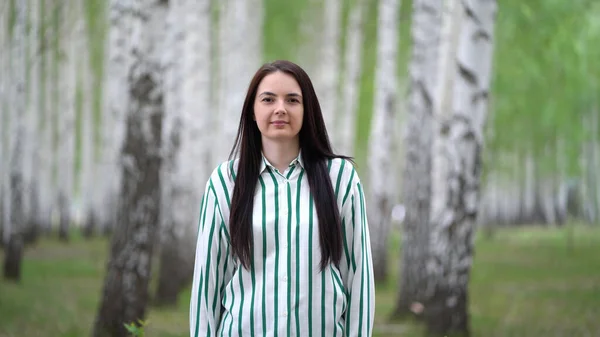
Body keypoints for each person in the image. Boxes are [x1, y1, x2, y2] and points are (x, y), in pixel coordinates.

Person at [189, 60, 374, 337]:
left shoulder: (341, 179)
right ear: (252, 110)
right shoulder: (224, 183)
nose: (280, 109)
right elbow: (208, 285)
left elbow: (358, 278)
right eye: (268, 99)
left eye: (292, 100)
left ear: (306, 110)